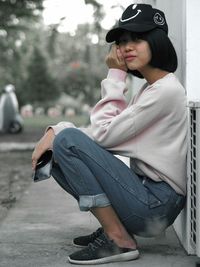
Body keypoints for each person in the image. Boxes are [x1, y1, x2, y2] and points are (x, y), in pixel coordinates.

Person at [32, 3, 187, 265]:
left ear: (158, 40)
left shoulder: (164, 92)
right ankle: (114, 226)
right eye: (122, 41)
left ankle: (119, 239)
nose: (126, 47)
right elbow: (105, 133)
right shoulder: (152, 88)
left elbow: (103, 135)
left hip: (155, 207)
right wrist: (56, 132)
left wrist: (115, 75)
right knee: (59, 149)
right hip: (147, 196)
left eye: (137, 39)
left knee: (67, 141)